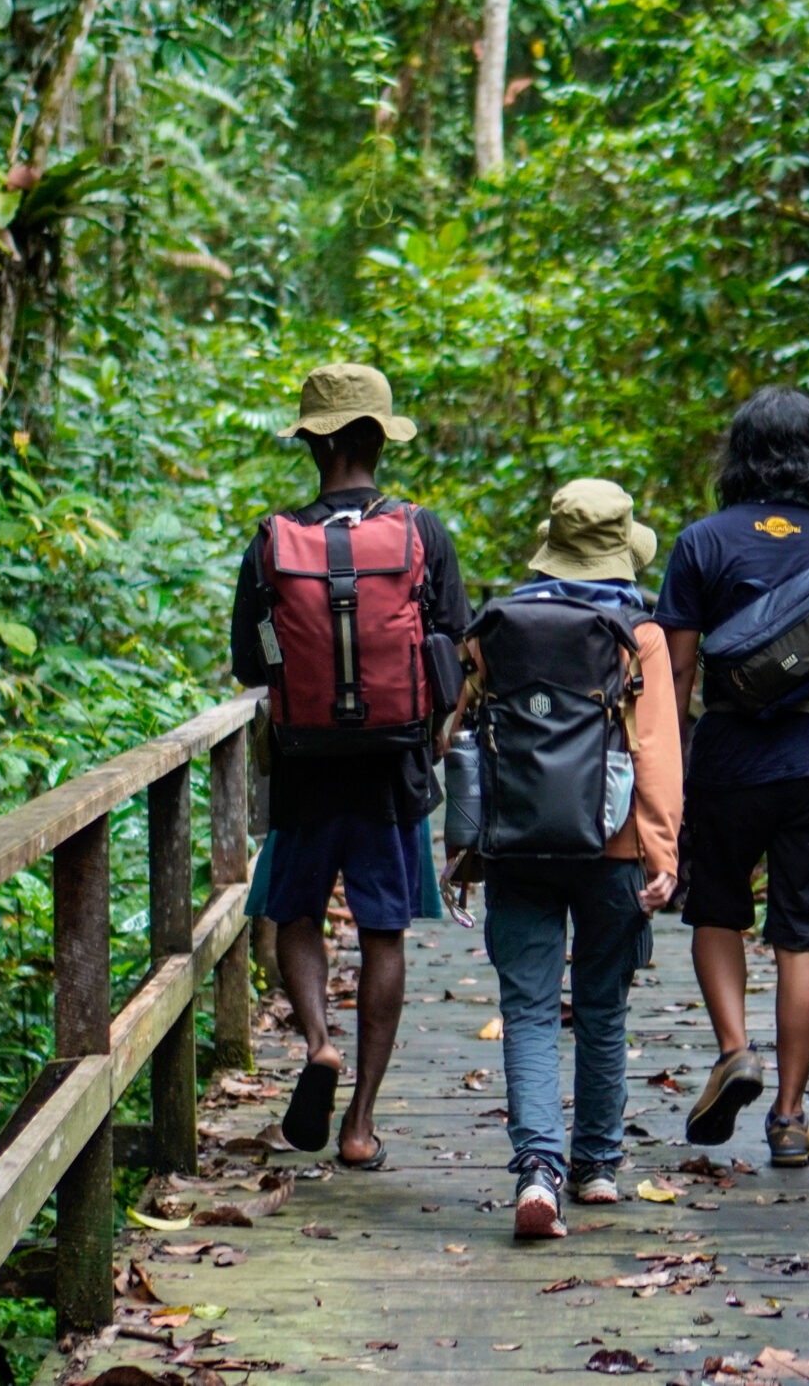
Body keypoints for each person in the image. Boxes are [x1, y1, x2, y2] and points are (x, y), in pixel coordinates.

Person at [230, 363, 469, 1169]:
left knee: (292, 913)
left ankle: (320, 1044)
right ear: (376, 439)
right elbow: (453, 647)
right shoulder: (421, 532)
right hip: (392, 768)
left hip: (303, 764)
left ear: (315, 444)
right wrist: (434, 732)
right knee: (383, 929)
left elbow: (251, 658)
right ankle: (361, 1122)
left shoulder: (272, 540)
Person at [654, 388, 809, 1169]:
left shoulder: (701, 544)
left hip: (726, 756)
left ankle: (734, 1049)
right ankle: (790, 1117)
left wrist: (669, 774)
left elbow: (678, 670)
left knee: (717, 909)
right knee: (804, 938)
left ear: (739, 456)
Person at [450, 480, 682, 1240]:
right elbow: (656, 755)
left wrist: (464, 844)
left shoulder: (497, 627)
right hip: (611, 843)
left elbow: (461, 740)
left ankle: (538, 1172)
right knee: (604, 1005)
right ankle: (598, 1165)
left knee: (526, 1007)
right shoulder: (637, 633)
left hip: (517, 842)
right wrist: (662, 848)